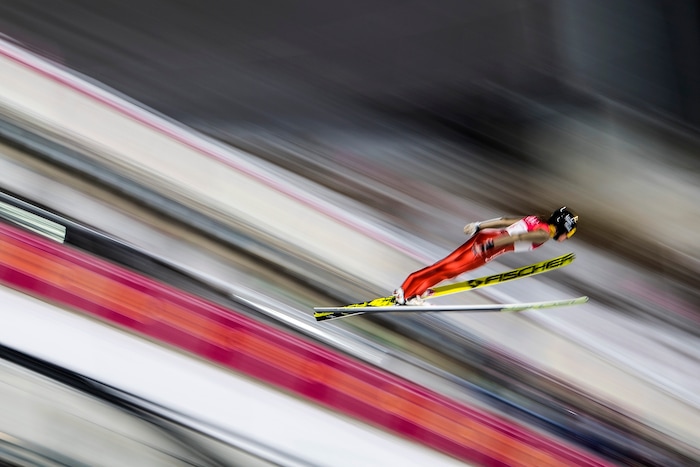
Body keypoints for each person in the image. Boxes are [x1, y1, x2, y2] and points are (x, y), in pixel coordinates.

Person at [393, 206, 578, 305]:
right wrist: (491, 245)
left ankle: (410, 289)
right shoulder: (544, 233)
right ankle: (407, 293)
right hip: (491, 245)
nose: (565, 238)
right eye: (568, 234)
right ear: (563, 228)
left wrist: (479, 225)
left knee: (446, 265)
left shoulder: (535, 219)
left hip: (487, 236)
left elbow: (505, 221)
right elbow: (519, 236)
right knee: (448, 270)